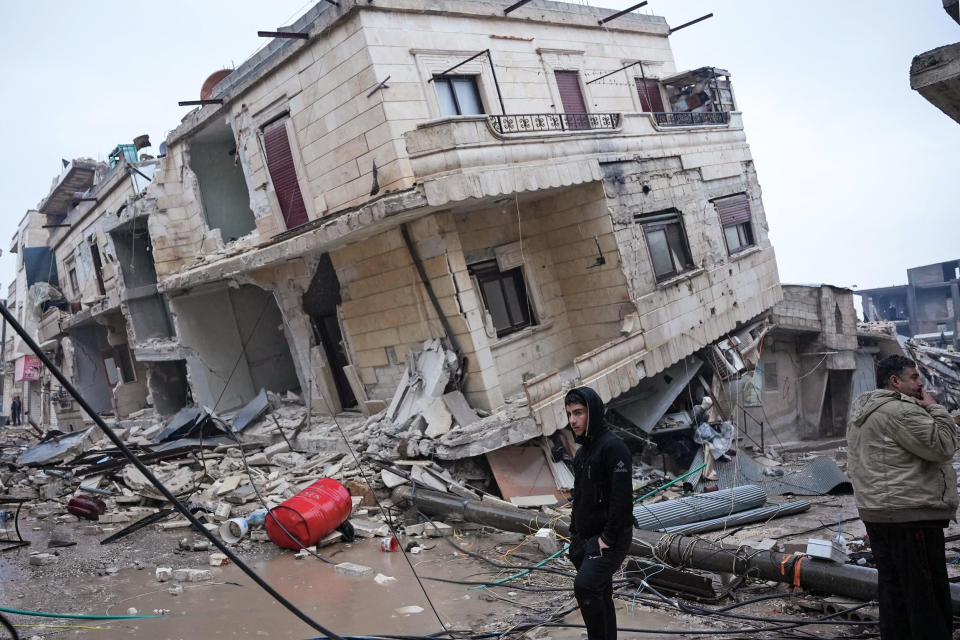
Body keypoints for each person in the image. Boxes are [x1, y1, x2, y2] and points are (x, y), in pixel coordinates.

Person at [847, 355, 958, 639]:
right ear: (894, 382)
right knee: (926, 596)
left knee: (895, 593)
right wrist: (936, 409)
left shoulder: (866, 410)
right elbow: (943, 446)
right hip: (910, 516)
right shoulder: (901, 412)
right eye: (913, 377)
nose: (920, 382)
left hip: (879, 513)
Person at [565, 386, 633, 640]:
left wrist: (607, 539)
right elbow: (579, 496)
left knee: (585, 587)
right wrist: (574, 536)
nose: (572, 420)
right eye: (570, 413)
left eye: (579, 413)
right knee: (601, 592)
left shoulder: (614, 448)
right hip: (585, 540)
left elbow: (622, 500)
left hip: (608, 540)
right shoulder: (583, 453)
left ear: (593, 412)